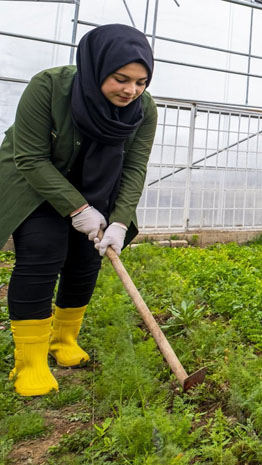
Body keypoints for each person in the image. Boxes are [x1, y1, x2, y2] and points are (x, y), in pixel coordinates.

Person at [0, 24, 157, 395]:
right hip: (34, 182)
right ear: (97, 67)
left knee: (86, 261)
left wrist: (118, 220)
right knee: (42, 251)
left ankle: (64, 341)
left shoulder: (143, 110)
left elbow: (135, 167)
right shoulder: (50, 87)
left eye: (140, 82)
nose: (130, 90)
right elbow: (31, 157)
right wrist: (76, 208)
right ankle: (30, 362)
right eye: (121, 78)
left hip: (99, 184)